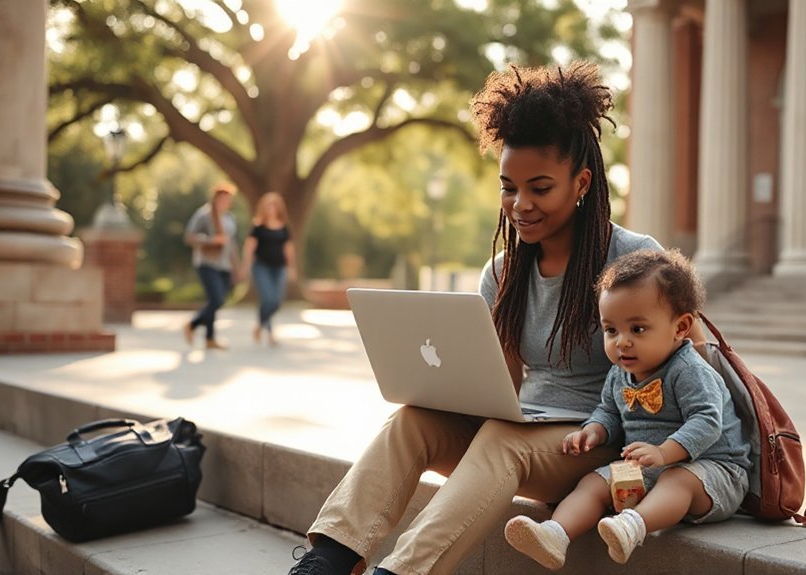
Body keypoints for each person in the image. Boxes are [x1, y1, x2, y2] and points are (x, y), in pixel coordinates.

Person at [286, 61, 706, 575]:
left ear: (582, 182)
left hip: (603, 442)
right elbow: (499, 388)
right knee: (411, 423)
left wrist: (717, 467)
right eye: (509, 187)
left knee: (503, 442)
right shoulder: (502, 272)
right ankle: (328, 559)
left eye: (540, 188)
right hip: (522, 434)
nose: (520, 204)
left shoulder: (634, 261)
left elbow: (695, 361)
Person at [503, 249, 750, 569]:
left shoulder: (688, 369)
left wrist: (663, 453)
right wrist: (593, 430)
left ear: (680, 327)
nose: (622, 342)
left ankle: (631, 527)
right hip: (652, 467)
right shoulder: (620, 373)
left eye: (637, 329)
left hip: (715, 471)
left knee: (678, 479)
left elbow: (707, 421)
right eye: (611, 330)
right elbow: (608, 409)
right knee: (593, 482)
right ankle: (555, 534)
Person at [183, 183, 241, 350]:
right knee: (216, 299)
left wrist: (237, 266)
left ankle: (210, 339)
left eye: (228, 199)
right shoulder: (203, 215)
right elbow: (189, 237)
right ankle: (193, 325)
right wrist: (211, 240)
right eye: (222, 199)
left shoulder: (229, 218)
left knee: (216, 301)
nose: (225, 202)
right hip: (207, 263)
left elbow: (232, 244)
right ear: (215, 199)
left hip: (225, 265)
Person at [242, 192, 297, 346]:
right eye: (269, 205)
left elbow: (289, 249)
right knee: (268, 299)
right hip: (261, 267)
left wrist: (292, 267)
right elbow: (249, 248)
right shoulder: (258, 228)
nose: (272, 208)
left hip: (279, 267)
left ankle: (260, 325)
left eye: (274, 205)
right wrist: (245, 266)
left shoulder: (284, 228)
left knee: (276, 301)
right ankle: (271, 332)